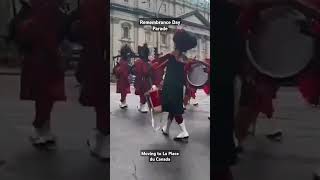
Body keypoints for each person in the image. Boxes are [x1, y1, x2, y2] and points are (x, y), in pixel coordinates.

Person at [15, 0, 66, 146]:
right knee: (46, 97)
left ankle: (43, 129)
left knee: (44, 97)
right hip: (46, 58)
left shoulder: (35, 9)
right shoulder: (48, 9)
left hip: (40, 58)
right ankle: (41, 129)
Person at [76, 0, 109, 160]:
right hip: (100, 59)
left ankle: (103, 143)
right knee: (103, 103)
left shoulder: (92, 6)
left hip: (96, 59)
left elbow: (80, 31)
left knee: (101, 103)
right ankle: (102, 141)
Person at [157, 29, 197, 142]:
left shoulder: (172, 55)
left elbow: (159, 63)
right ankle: (166, 128)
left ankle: (184, 131)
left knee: (175, 109)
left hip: (170, 85)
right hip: (178, 86)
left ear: (176, 43)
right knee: (172, 107)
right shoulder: (185, 58)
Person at [134, 44, 152, 113]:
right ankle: (143, 106)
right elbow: (146, 72)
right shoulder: (147, 63)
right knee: (144, 93)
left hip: (139, 80)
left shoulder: (138, 62)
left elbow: (135, 71)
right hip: (145, 80)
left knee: (142, 93)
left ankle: (142, 106)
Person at [113, 44, 132, 109]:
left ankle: (123, 103)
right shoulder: (125, 62)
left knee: (123, 91)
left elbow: (118, 70)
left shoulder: (121, 61)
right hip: (124, 78)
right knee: (124, 91)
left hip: (122, 78)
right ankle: (123, 102)